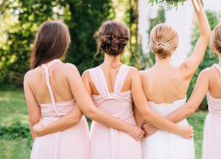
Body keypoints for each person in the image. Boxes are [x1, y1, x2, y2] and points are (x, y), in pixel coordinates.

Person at [32, 20, 193, 159]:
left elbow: (89, 111)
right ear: (124, 44)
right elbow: (140, 112)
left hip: (99, 137)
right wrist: (134, 127)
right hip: (130, 137)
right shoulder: (132, 74)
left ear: (101, 43)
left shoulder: (88, 76)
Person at [144, 23, 221, 159]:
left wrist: (157, 125)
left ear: (213, 47)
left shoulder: (208, 74)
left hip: (218, 134)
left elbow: (189, 108)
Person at [25, 21, 145, 159]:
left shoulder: (29, 77)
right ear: (63, 43)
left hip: (45, 139)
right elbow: (81, 113)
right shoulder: (69, 70)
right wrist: (132, 127)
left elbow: (33, 120)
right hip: (73, 138)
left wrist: (41, 138)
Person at [141, 0, 211, 159]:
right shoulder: (185, 71)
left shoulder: (140, 77)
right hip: (182, 138)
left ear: (151, 46)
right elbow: (206, 34)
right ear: (176, 45)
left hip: (152, 141)